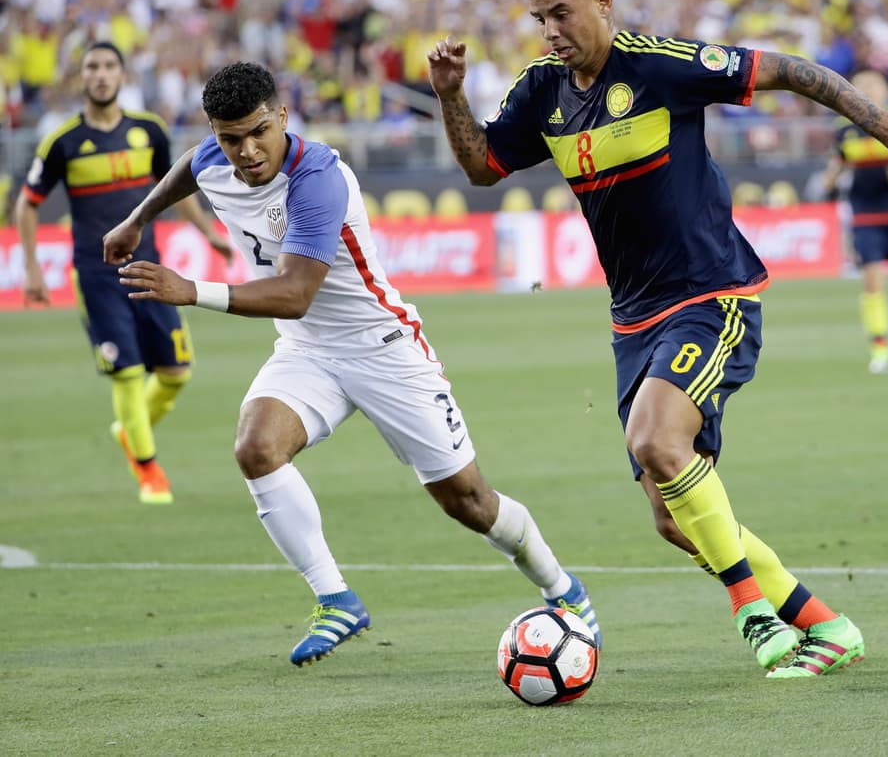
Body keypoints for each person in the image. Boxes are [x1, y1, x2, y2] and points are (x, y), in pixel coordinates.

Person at [428, 0, 888, 678]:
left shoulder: (659, 64)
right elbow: (482, 167)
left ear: (602, 2)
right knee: (672, 515)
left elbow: (785, 69)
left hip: (710, 293)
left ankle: (752, 612)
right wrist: (449, 93)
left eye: (561, 13)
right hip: (633, 318)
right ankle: (830, 626)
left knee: (657, 442)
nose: (550, 32)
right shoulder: (543, 91)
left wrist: (873, 117)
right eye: (538, 19)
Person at [103, 61, 599, 666]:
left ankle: (562, 589)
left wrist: (193, 289)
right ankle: (335, 598)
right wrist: (137, 219)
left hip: (382, 349)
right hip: (308, 351)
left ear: (282, 115)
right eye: (230, 138)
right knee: (256, 447)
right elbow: (191, 163)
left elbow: (295, 293)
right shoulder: (215, 156)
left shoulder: (318, 178)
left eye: (258, 132)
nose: (246, 150)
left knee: (469, 502)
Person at [15, 41, 231, 504]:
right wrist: (32, 267)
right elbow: (26, 205)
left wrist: (209, 233)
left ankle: (130, 433)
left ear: (122, 75)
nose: (100, 74)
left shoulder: (149, 132)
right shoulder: (63, 142)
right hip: (95, 275)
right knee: (128, 374)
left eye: (109, 66)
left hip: (149, 268)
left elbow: (176, 188)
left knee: (175, 372)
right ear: (82, 77)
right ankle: (149, 470)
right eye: (92, 66)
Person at [819, 70, 888, 373]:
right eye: (860, 85)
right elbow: (841, 160)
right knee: (872, 279)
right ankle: (880, 348)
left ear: (884, 90)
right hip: (865, 214)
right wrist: (829, 179)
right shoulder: (845, 129)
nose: (866, 90)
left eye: (872, 85)